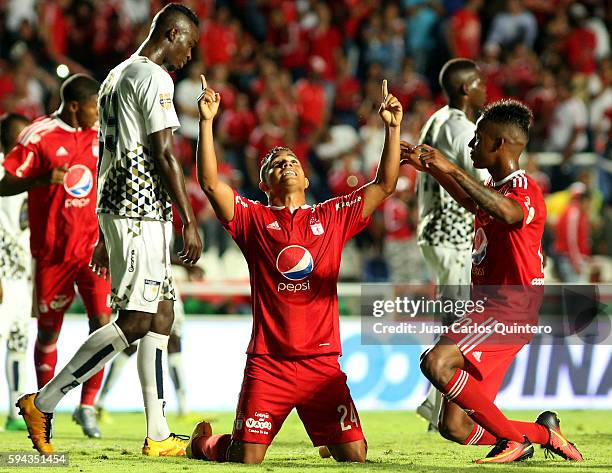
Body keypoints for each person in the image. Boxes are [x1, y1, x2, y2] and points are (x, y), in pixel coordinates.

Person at [15, 3, 202, 456]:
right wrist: (189, 218)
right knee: (136, 320)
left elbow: (108, 153)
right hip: (140, 212)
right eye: (189, 46)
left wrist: (103, 226)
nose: (189, 57)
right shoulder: (155, 78)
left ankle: (157, 434)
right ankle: (44, 401)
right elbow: (164, 152)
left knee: (161, 316)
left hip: (123, 208)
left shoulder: (115, 77)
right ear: (173, 34)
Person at [186, 76, 402, 464]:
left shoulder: (332, 216)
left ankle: (329, 436)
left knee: (355, 457)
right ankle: (201, 444)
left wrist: (392, 128)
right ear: (263, 181)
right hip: (269, 363)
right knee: (244, 458)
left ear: (305, 179)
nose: (286, 164)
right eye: (276, 163)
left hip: (321, 364)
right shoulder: (252, 219)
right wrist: (206, 122)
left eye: (293, 162)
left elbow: (385, 184)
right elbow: (208, 182)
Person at [402, 99, 583, 463]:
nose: (471, 146)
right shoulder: (495, 189)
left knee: (436, 363)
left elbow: (510, 214)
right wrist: (434, 170)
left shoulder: (523, 187)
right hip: (490, 310)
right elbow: (474, 200)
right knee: (454, 426)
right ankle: (542, 434)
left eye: (477, 139)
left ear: (498, 144)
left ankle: (512, 442)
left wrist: (449, 166)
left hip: (506, 310)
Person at [0, 75, 112, 439]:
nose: (99, 114)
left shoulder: (101, 134)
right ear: (75, 106)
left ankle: (88, 406)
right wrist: (42, 178)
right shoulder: (39, 134)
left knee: (105, 325)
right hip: (52, 254)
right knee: (48, 332)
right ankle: (44, 408)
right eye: (94, 107)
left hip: (93, 250)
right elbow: (3, 184)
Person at [414, 58, 488, 431]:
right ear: (465, 88)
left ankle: (434, 407)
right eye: (479, 83)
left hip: (432, 230)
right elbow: (480, 181)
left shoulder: (435, 119)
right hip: (453, 235)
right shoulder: (461, 128)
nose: (484, 88)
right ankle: (441, 408)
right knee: (460, 324)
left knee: (453, 320)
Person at [96, 259, 204, 420]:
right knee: (140, 343)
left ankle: (99, 403)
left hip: (148, 280)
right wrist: (186, 264)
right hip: (153, 282)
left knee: (133, 346)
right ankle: (98, 403)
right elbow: (159, 251)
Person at [0, 113, 30, 432]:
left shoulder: (25, 172)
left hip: (22, 275)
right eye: (20, 135)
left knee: (18, 344)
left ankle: (13, 410)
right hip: (3, 270)